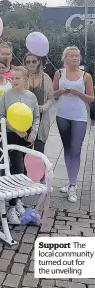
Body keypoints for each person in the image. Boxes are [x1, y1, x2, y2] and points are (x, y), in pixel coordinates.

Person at [0, 66, 40, 224]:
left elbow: (36, 117)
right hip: (12, 137)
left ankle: (18, 200)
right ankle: (12, 207)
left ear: (25, 79)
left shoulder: (31, 97)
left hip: (26, 137)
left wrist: (33, 133)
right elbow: (0, 116)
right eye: (12, 78)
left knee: (25, 170)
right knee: (18, 169)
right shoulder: (6, 96)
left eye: (17, 78)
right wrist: (14, 128)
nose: (13, 81)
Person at [53, 46, 94, 203]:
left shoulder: (86, 76)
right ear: (66, 58)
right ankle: (70, 180)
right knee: (68, 148)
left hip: (79, 117)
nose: (76, 58)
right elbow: (53, 93)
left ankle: (73, 185)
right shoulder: (59, 73)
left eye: (78, 56)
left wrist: (78, 93)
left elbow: (91, 98)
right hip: (62, 115)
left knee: (76, 150)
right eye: (72, 56)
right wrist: (61, 92)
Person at [24, 52, 55, 153]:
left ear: (39, 62)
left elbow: (51, 98)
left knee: (39, 151)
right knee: (24, 150)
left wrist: (43, 108)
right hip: (24, 119)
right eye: (28, 62)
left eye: (34, 61)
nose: (31, 64)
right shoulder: (22, 78)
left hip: (41, 120)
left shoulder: (45, 78)